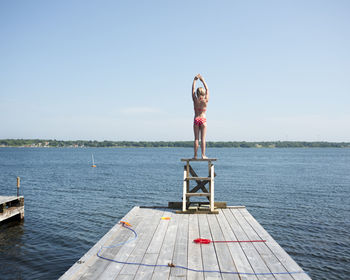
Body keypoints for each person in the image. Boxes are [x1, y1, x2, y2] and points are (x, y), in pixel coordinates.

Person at [192, 74, 209, 159]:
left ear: (197, 93)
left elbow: (192, 91)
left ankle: (195, 155)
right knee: (203, 139)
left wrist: (195, 80)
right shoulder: (205, 100)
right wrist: (202, 80)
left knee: (196, 139)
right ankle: (203, 155)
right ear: (203, 93)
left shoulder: (195, 100)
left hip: (196, 118)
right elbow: (207, 89)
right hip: (203, 119)